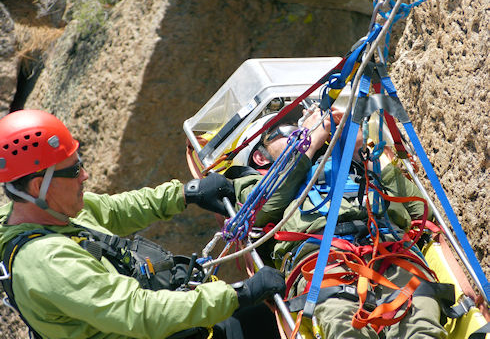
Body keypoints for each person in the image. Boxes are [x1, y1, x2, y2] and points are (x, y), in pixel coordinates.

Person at [0, 109, 285, 339]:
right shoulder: (48, 263)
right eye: (74, 169)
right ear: (38, 186)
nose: (85, 175)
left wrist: (186, 194)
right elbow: (138, 312)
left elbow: (115, 209)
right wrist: (239, 293)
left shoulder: (51, 213)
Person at [232, 106, 448, 339]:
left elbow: (419, 210)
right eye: (287, 130)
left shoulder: (346, 163)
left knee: (421, 326)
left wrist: (359, 152)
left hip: (388, 247)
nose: (300, 129)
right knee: (344, 328)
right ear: (260, 156)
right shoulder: (252, 185)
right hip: (322, 260)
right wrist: (309, 142)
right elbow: (263, 210)